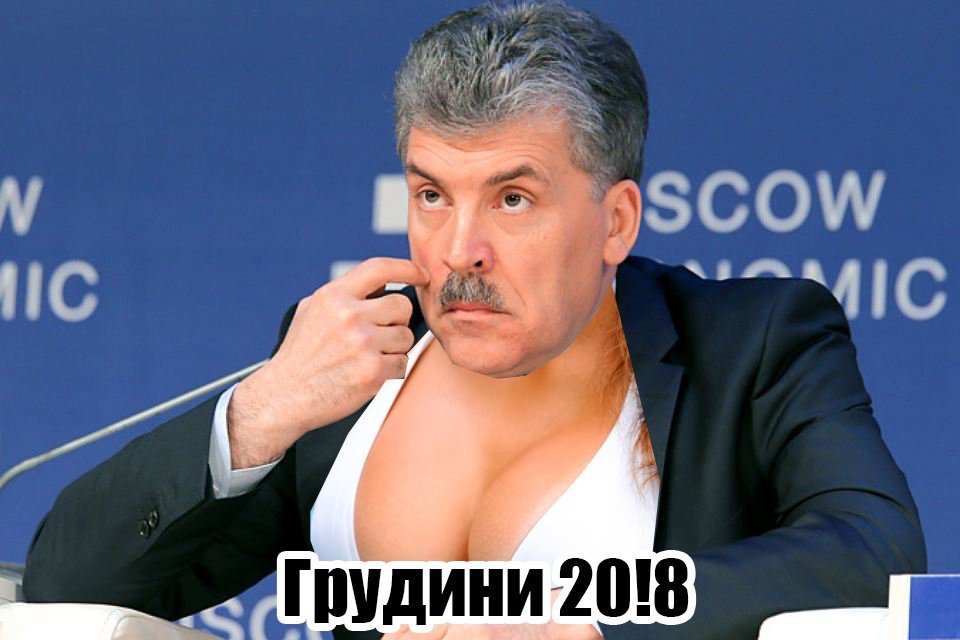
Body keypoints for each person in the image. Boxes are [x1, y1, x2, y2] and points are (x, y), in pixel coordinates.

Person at [24, 2, 925, 639]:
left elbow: (875, 553)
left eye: (513, 198)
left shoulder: (751, 342)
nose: (460, 252)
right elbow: (70, 588)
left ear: (616, 221)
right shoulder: (349, 361)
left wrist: (589, 624)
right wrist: (260, 412)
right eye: (431, 195)